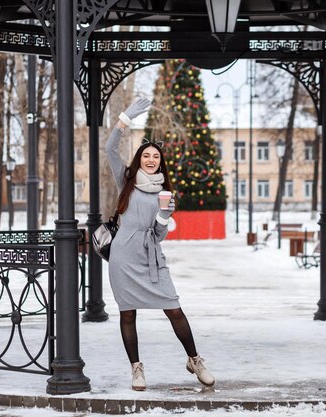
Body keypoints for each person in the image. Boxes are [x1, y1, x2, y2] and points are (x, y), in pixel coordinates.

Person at [105, 98, 215, 391]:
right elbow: (109, 149)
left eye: (155, 156)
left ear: (160, 162)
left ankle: (195, 359)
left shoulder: (163, 192)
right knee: (127, 313)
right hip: (123, 259)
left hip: (151, 258)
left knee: (174, 308)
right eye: (146, 155)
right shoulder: (126, 180)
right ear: (139, 159)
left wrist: (165, 216)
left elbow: (157, 236)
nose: (151, 159)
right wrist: (125, 119)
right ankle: (136, 369)